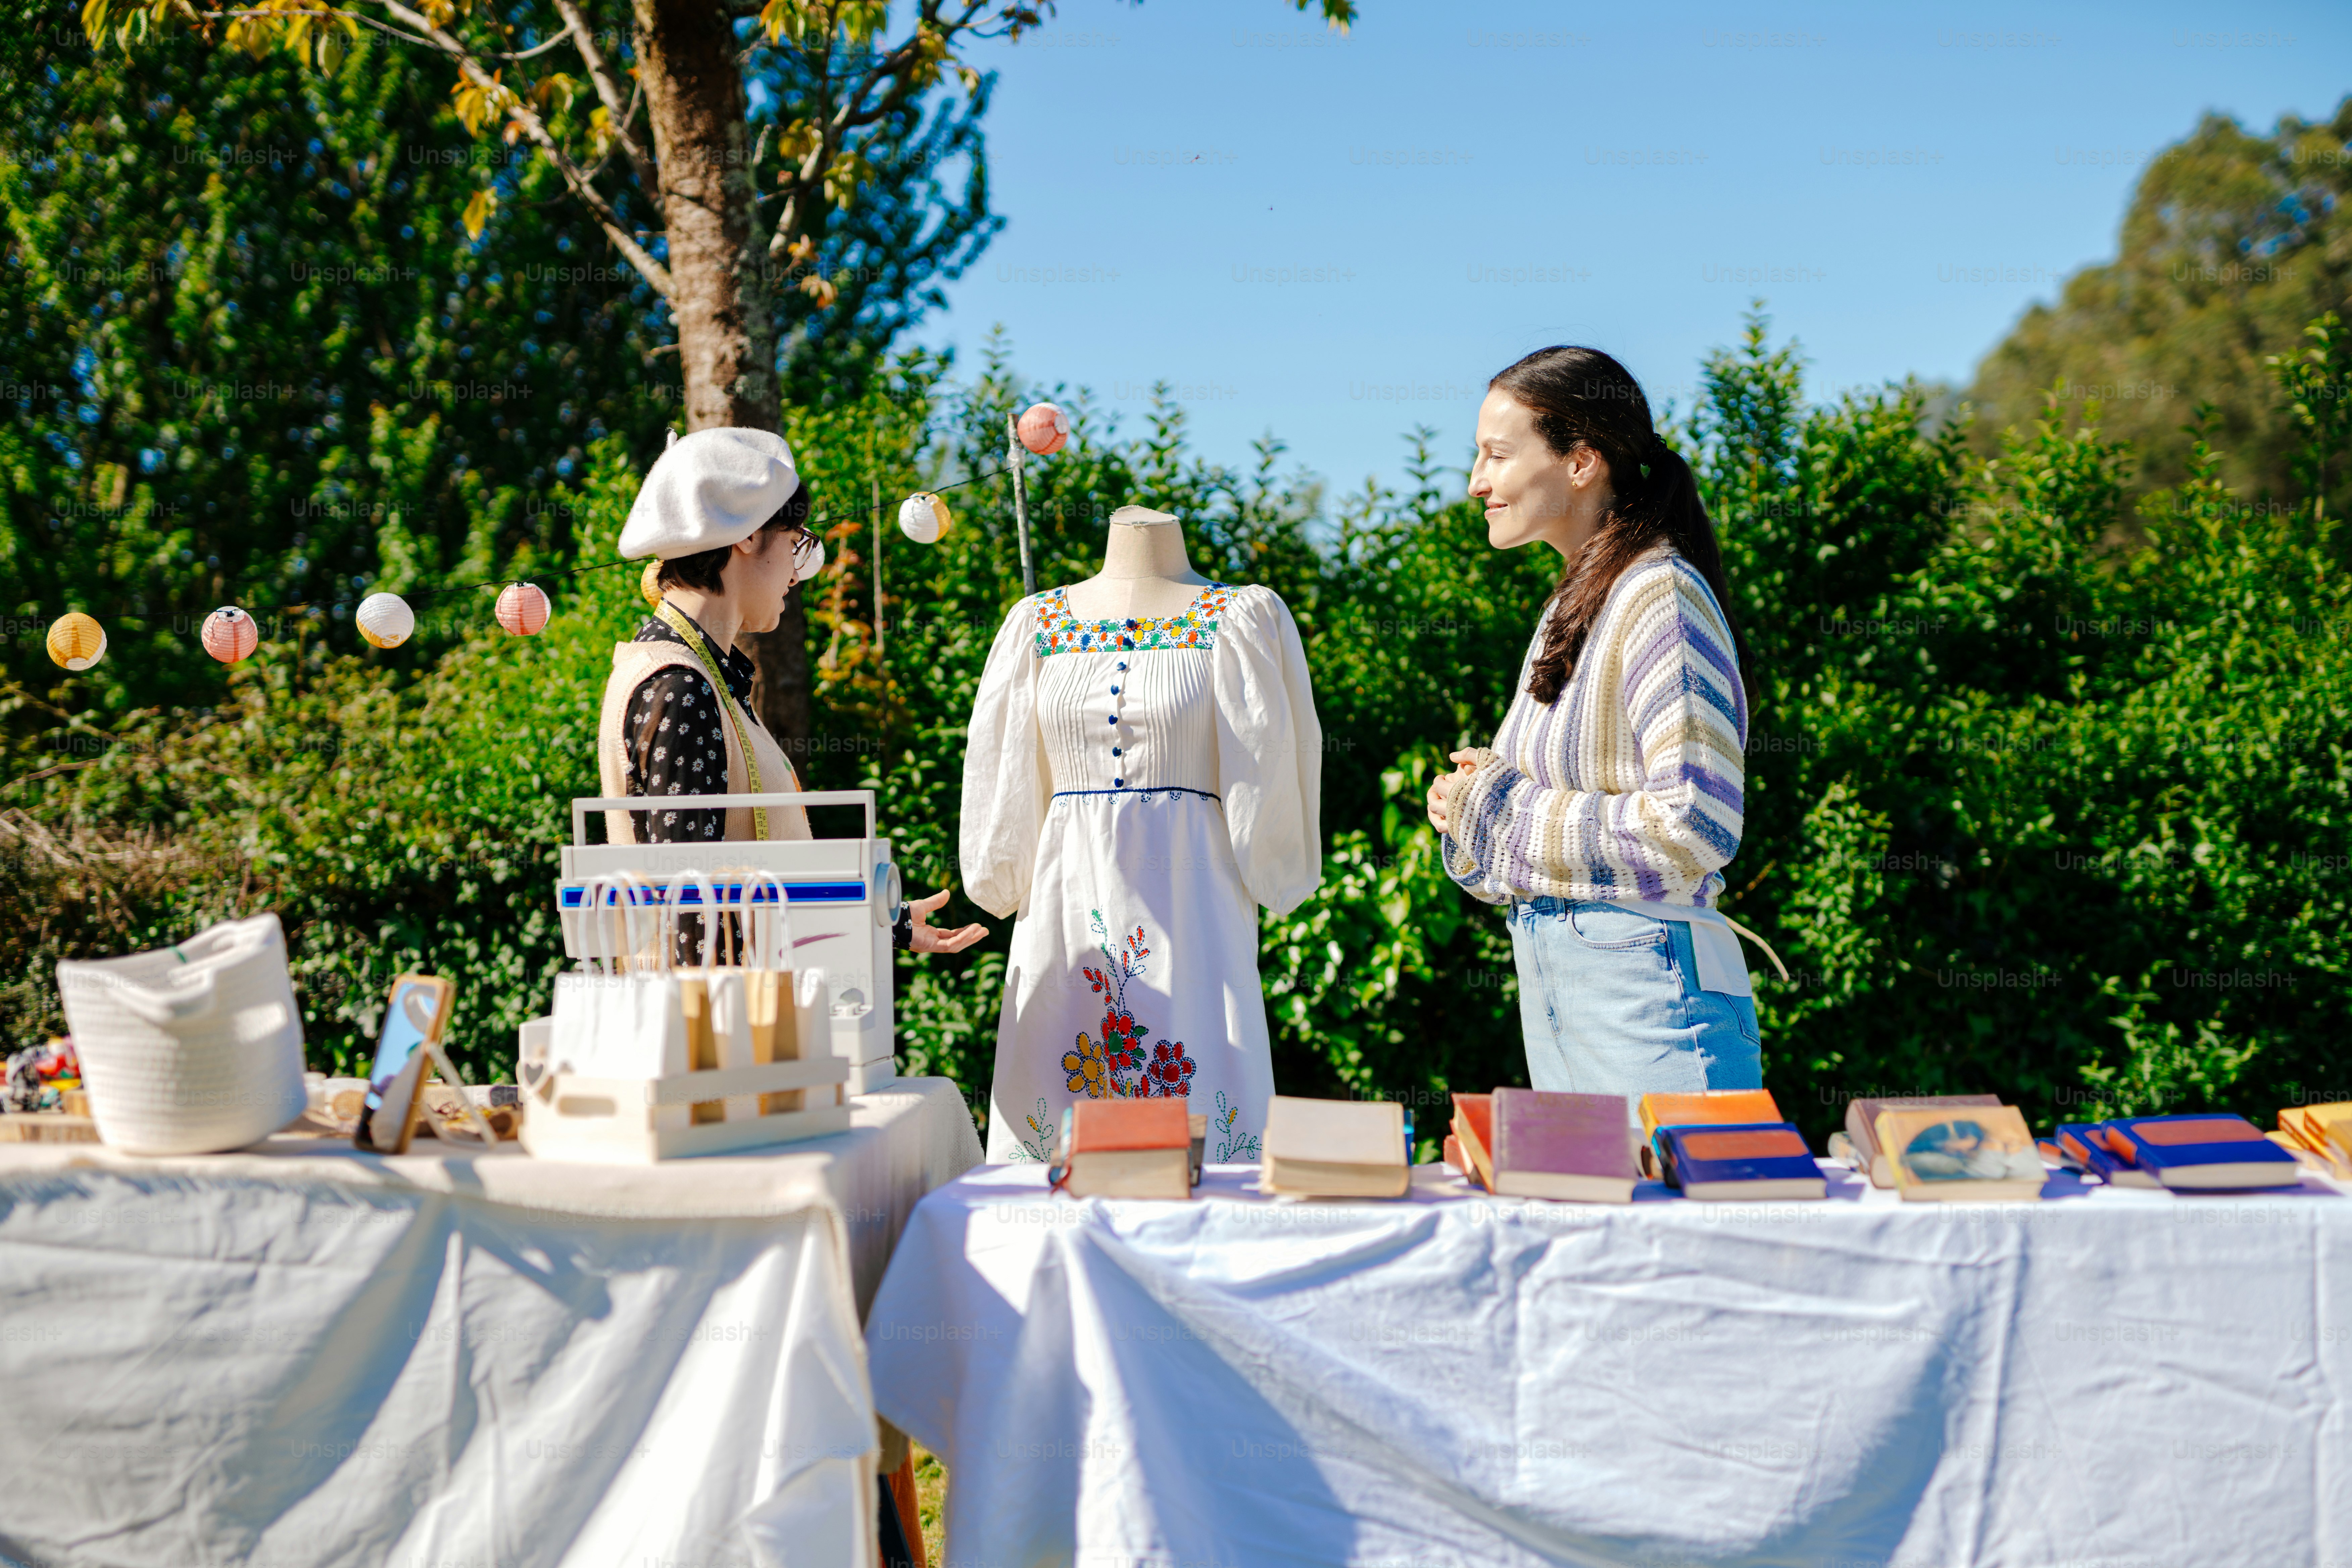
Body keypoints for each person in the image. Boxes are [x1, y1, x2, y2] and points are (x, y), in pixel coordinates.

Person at [1426, 347, 1768, 1108]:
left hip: (1651, 1005)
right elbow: (1530, 849)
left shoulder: (1659, 594)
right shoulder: (1571, 607)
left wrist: (1502, 807)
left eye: (1496, 455)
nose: (1477, 482)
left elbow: (1697, 823)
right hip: (1564, 1003)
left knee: (1687, 1226)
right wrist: (1471, 813)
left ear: (1581, 460)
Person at [603, 427, 984, 955]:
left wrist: (879, 916)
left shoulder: (698, 674)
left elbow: (744, 879)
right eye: (795, 541)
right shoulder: (680, 685)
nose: (798, 570)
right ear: (747, 534)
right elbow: (692, 911)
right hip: (720, 1027)